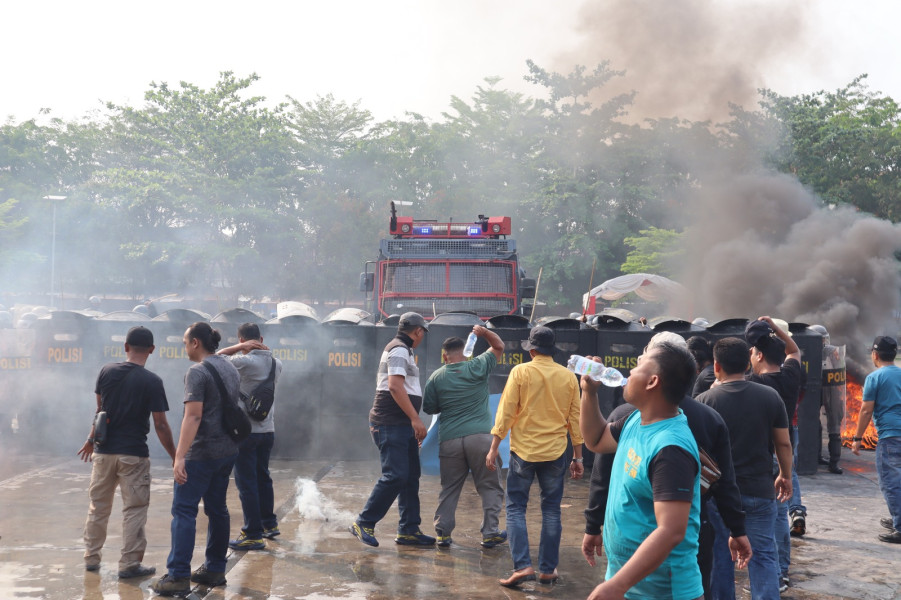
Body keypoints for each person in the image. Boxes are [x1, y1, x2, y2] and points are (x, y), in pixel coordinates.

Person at [581, 332, 750, 600]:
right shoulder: (637, 419)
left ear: (652, 382)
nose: (629, 370)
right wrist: (589, 393)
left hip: (663, 591)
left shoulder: (670, 448)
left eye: (638, 365)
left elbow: (671, 530)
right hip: (633, 584)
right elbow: (595, 439)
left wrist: (616, 586)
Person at [486, 325, 583, 587]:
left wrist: (494, 445)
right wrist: (578, 456)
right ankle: (548, 570)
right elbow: (575, 418)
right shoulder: (568, 377)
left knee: (516, 507)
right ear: (552, 351)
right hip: (555, 453)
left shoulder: (521, 371)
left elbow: (506, 411)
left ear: (531, 349)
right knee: (551, 510)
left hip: (524, 452)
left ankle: (523, 567)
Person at [78, 326, 176, 578]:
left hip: (103, 451)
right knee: (134, 509)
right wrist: (176, 456)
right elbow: (161, 425)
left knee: (98, 506)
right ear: (152, 350)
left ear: (125, 346)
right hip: (133, 454)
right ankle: (129, 564)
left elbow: (100, 412)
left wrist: (91, 440)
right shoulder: (152, 381)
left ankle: (91, 558)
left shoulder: (106, 371)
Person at [698, 337, 792, 600]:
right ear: (748, 364)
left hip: (719, 496)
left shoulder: (705, 401)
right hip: (760, 491)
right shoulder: (770, 397)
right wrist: (785, 475)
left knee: (720, 557)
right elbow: (783, 443)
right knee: (763, 556)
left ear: (716, 366)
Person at [151, 322, 241, 596]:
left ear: (195, 343)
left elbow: (193, 416)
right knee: (217, 509)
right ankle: (215, 568)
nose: (184, 346)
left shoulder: (197, 372)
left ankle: (178, 576)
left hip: (201, 454)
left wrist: (179, 457)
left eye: (184, 341)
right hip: (227, 450)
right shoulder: (230, 366)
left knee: (184, 511)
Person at [349, 312, 436, 548]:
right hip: (390, 423)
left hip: (400, 424)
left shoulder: (403, 350)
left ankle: (409, 529)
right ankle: (364, 522)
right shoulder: (398, 349)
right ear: (418, 331)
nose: (422, 338)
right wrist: (416, 419)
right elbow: (395, 387)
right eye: (422, 334)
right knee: (395, 475)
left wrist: (412, 421)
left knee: (409, 477)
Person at [422, 325, 507, 548]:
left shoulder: (436, 377)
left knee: (449, 488)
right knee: (489, 486)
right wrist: (484, 332)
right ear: (466, 350)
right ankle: (490, 533)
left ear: (444, 355)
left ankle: (442, 534)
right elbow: (499, 346)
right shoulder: (478, 365)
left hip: (450, 440)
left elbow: (430, 408)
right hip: (480, 438)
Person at [745, 316, 802, 591]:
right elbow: (794, 350)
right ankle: (781, 573)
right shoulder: (790, 376)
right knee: (780, 516)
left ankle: (770, 575)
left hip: (761, 456)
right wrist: (775, 328)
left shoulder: (754, 386)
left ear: (758, 355)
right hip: (783, 453)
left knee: (760, 520)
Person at [217, 322, 283, 550]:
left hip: (247, 433)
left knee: (247, 483)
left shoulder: (245, 362)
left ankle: (252, 533)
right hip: (268, 431)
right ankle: (269, 525)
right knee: (263, 478)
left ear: (243, 340)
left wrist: (237, 347)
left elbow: (215, 359)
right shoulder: (277, 363)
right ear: (262, 339)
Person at [852, 335, 901, 544]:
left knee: (891, 483)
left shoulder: (875, 377)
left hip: (890, 437)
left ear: (875, 354)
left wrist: (857, 437)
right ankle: (897, 518)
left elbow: (865, 410)